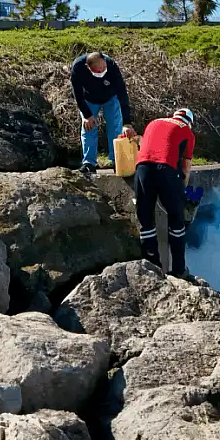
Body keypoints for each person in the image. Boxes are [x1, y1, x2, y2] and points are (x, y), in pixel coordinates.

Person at [134, 108, 196, 278]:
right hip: (166, 171)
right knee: (177, 220)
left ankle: (152, 268)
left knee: (145, 219)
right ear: (189, 122)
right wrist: (182, 190)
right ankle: (178, 270)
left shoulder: (154, 122)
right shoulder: (187, 132)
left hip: (142, 169)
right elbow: (186, 166)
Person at [70, 51, 136, 175]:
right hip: (88, 99)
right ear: (88, 68)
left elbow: (122, 93)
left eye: (103, 68)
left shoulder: (112, 66)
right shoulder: (78, 67)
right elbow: (77, 94)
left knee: (115, 127)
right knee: (88, 129)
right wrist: (86, 115)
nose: (101, 71)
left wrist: (127, 123)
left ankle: (117, 160)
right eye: (98, 71)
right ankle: (89, 163)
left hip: (111, 98)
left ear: (105, 62)